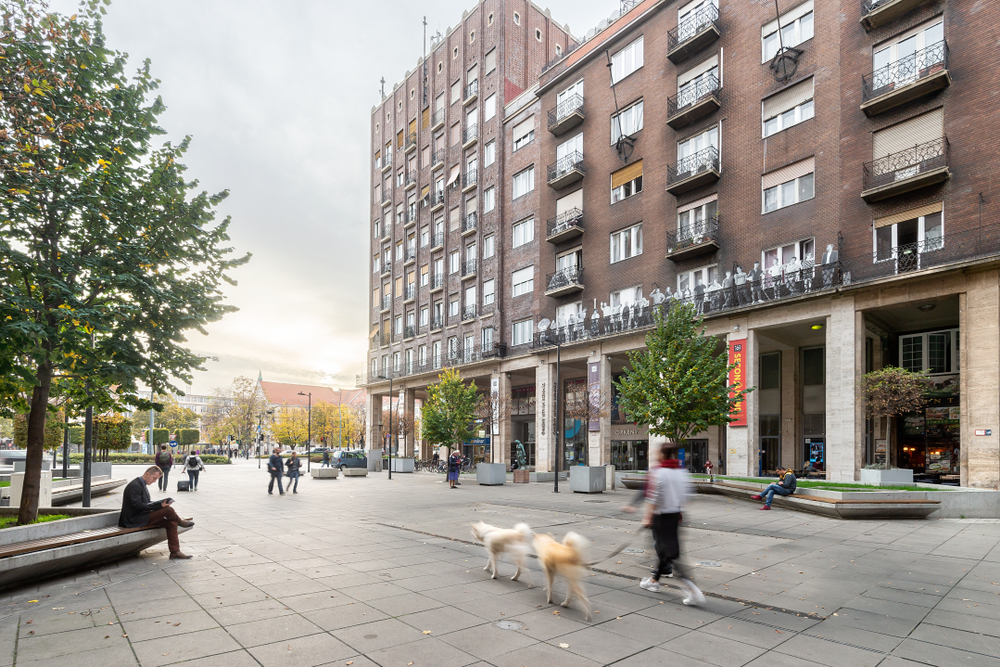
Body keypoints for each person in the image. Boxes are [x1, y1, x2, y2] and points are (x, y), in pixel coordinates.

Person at [639, 446, 705, 606]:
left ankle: (693, 589)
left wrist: (648, 518)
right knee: (664, 551)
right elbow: (687, 494)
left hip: (661, 517)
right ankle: (654, 581)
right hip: (675, 515)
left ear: (662, 454)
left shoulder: (659, 472)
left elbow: (653, 498)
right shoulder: (681, 471)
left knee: (670, 553)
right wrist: (679, 510)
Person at [119, 466, 195, 559]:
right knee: (168, 510)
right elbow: (137, 506)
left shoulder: (141, 484)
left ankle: (175, 552)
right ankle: (180, 522)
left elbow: (145, 504)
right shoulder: (134, 486)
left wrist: (159, 502)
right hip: (134, 519)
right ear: (147, 474)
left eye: (156, 479)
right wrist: (160, 506)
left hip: (142, 515)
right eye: (154, 478)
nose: (154, 481)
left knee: (171, 523)